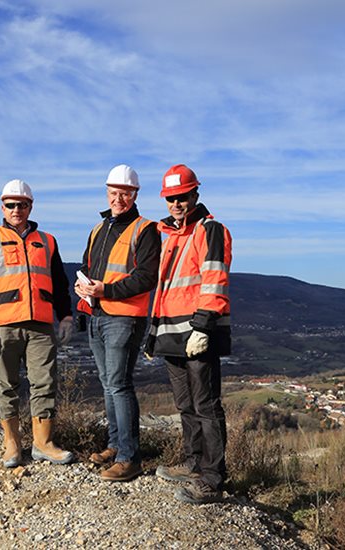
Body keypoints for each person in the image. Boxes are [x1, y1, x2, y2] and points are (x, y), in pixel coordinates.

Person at [0, 179, 75, 467]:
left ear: (30, 206)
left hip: (39, 324)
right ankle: (11, 443)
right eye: (11, 205)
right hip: (2, 324)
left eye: (22, 205)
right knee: (5, 385)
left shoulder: (47, 241)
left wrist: (65, 316)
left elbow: (60, 283)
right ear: (2, 207)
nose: (16, 210)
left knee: (44, 382)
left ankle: (43, 442)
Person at [148, 164, 232, 504]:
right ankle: (194, 464)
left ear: (195, 195)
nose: (176, 204)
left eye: (181, 197)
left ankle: (212, 480)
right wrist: (154, 335)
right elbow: (165, 291)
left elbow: (214, 280)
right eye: (170, 199)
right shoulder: (172, 236)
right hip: (172, 334)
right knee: (185, 405)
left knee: (206, 405)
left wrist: (203, 326)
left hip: (197, 333)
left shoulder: (209, 230)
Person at [75, 165, 161, 482]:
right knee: (108, 383)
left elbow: (146, 277)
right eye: (113, 192)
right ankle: (115, 445)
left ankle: (129, 457)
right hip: (97, 314)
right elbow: (87, 266)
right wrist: (83, 289)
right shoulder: (98, 229)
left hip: (125, 317)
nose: (118, 198)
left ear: (135, 194)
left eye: (125, 193)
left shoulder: (145, 229)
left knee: (119, 384)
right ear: (107, 192)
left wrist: (105, 290)